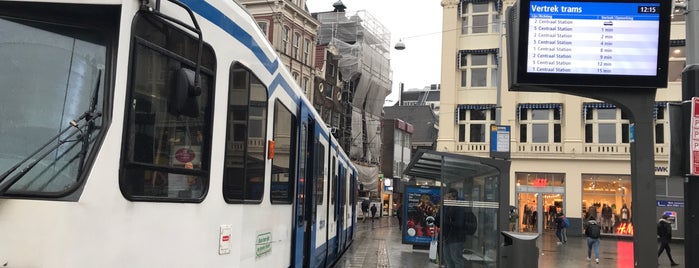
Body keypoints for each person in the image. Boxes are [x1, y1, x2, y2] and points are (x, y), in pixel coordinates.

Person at [435, 188, 465, 268]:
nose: (447, 199)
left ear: (454, 197)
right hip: (446, 237)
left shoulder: (459, 207)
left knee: (456, 259)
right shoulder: (445, 207)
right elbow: (438, 219)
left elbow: (460, 223)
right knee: (447, 259)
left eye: (449, 197)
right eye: (446, 197)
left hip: (456, 237)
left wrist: (445, 222)